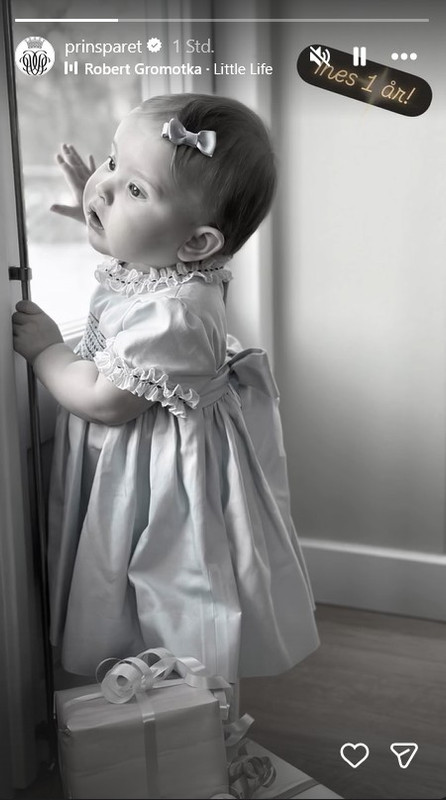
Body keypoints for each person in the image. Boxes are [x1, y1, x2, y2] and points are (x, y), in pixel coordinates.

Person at [12, 93, 319, 683]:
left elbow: (104, 398)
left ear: (198, 243)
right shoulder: (171, 266)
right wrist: (104, 210)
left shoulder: (176, 313)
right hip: (148, 455)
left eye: (135, 189)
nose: (103, 186)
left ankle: (176, 703)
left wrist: (48, 349)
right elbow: (141, 255)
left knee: (161, 586)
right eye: (111, 162)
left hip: (157, 476)